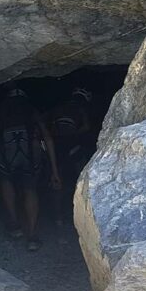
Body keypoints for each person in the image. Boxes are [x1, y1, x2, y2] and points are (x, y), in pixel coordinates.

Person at [0, 86, 61, 251]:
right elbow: (47, 138)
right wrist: (54, 170)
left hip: (5, 156)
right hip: (30, 155)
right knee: (30, 189)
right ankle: (32, 235)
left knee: (6, 183)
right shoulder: (32, 112)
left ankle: (14, 224)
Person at [45, 87, 95, 225]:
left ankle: (58, 217)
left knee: (57, 179)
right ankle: (84, 215)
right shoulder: (81, 109)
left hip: (56, 146)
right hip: (73, 146)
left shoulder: (58, 108)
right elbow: (86, 126)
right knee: (82, 178)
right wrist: (75, 134)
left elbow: (44, 123)